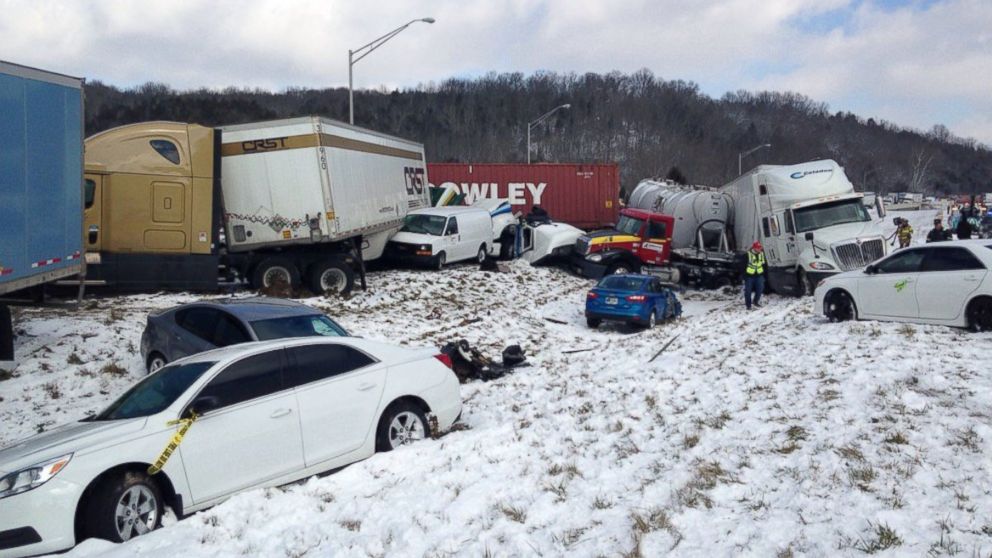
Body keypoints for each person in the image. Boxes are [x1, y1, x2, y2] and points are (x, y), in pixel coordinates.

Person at [743, 241, 765, 310]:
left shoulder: (761, 254)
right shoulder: (747, 254)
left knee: (760, 289)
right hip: (749, 276)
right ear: (754, 248)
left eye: (760, 248)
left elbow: (764, 264)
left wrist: (763, 274)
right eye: (758, 248)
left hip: (759, 275)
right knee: (748, 291)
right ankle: (748, 305)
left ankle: (756, 301)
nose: (760, 249)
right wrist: (744, 276)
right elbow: (742, 266)